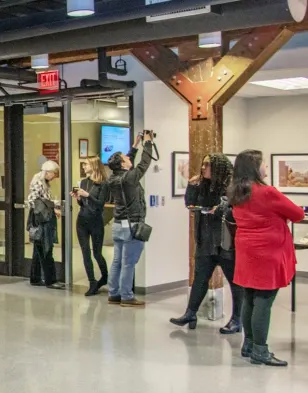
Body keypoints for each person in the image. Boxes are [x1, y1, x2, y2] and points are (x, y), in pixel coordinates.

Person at [229, 150, 304, 367]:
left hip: (247, 251)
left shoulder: (236, 192)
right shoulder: (267, 192)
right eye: (264, 164)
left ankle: (249, 344)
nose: (266, 167)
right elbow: (298, 214)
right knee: (264, 300)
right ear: (255, 167)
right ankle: (260, 351)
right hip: (268, 253)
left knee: (249, 297)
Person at [170, 154, 244, 333]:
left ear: (218, 167)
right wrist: (191, 185)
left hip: (226, 242)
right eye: (203, 164)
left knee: (235, 283)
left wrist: (220, 208)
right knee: (200, 279)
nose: (203, 168)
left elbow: (235, 208)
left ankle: (237, 320)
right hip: (206, 241)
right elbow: (190, 204)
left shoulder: (233, 186)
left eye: (207, 165)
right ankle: (190, 313)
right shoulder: (202, 185)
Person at [107, 132, 154, 307]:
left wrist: (135, 146)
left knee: (117, 261)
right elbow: (144, 164)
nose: (128, 158)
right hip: (132, 225)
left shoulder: (113, 178)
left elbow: (128, 163)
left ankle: (114, 293)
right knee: (128, 263)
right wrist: (147, 144)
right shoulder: (129, 178)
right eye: (125, 158)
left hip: (118, 225)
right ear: (122, 164)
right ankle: (126, 296)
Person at [72, 156, 109, 296]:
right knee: (85, 252)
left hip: (96, 221)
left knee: (97, 253)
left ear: (94, 166)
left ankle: (105, 276)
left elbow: (100, 204)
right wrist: (79, 199)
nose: (84, 167)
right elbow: (83, 204)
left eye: (86, 164)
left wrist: (88, 195)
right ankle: (92, 282)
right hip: (82, 220)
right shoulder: (83, 182)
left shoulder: (103, 183)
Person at [27, 160, 64, 290]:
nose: (55, 176)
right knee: (45, 249)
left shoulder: (44, 182)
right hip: (41, 221)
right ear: (48, 172)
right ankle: (50, 280)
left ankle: (35, 278)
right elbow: (32, 200)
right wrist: (50, 208)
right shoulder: (38, 183)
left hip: (40, 220)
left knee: (38, 250)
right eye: (54, 173)